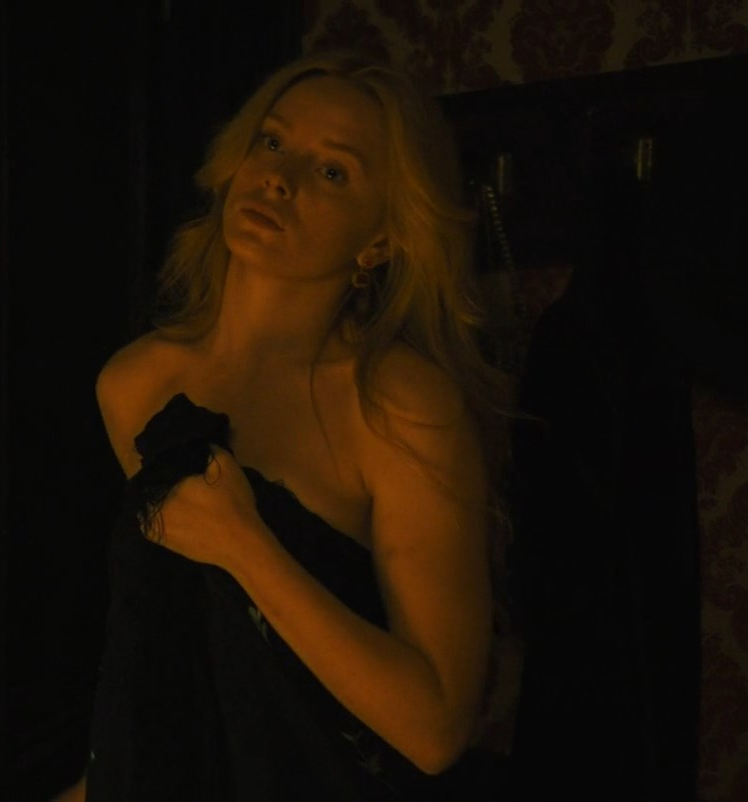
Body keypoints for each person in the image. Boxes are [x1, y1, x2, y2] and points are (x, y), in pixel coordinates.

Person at [57, 50, 513, 801]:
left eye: (332, 171)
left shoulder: (397, 405)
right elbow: (172, 668)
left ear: (380, 238)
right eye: (271, 143)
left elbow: (435, 729)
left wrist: (247, 546)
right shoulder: (135, 383)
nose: (279, 178)